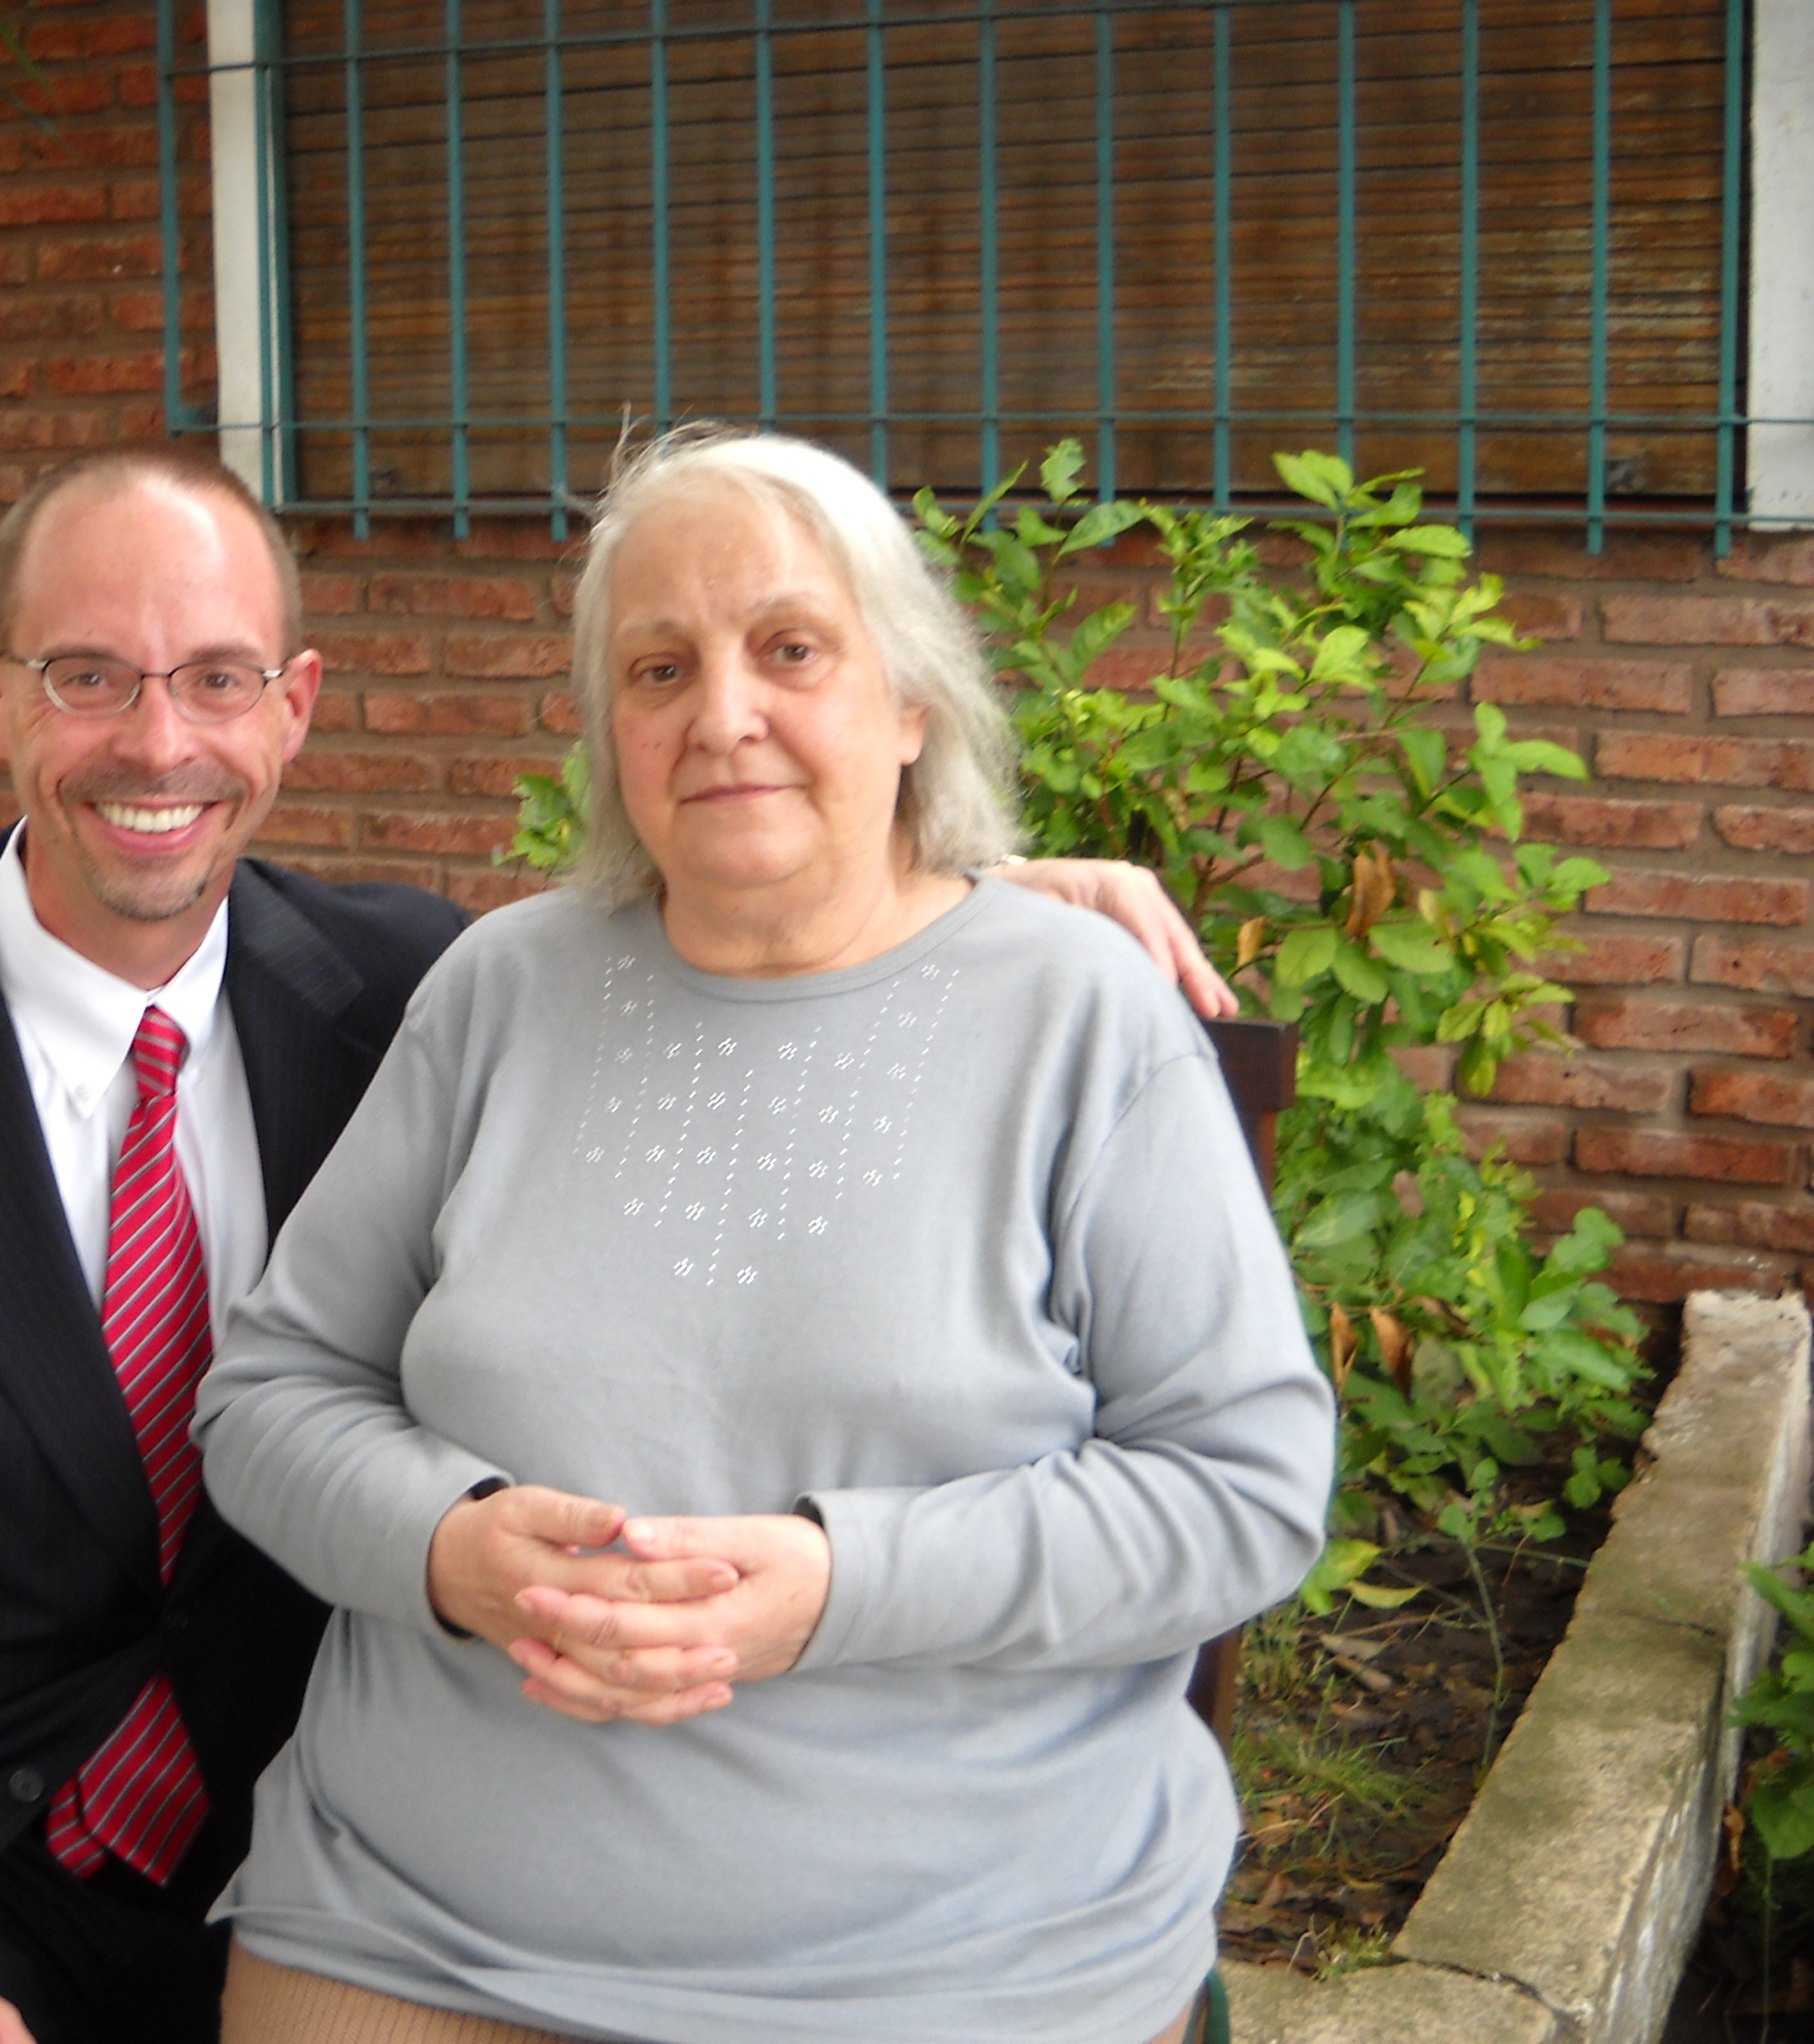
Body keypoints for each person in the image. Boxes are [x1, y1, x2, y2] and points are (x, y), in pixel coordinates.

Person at [0, 443, 1250, 2044]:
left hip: (271, 1824)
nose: (160, 743)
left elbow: (764, 941)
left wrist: (962, 888)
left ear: (291, 710)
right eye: (89, 676)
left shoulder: (398, 987)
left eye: (219, 677)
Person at [193, 429, 1338, 2044]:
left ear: (910, 698)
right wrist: (453, 1550)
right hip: (415, 1926)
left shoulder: (1079, 1020)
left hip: (957, 1966)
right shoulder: (503, 989)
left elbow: (1243, 1488)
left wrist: (836, 1584)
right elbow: (270, 1398)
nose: (722, 714)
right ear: (610, 733)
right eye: (659, 668)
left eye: (790, 649)